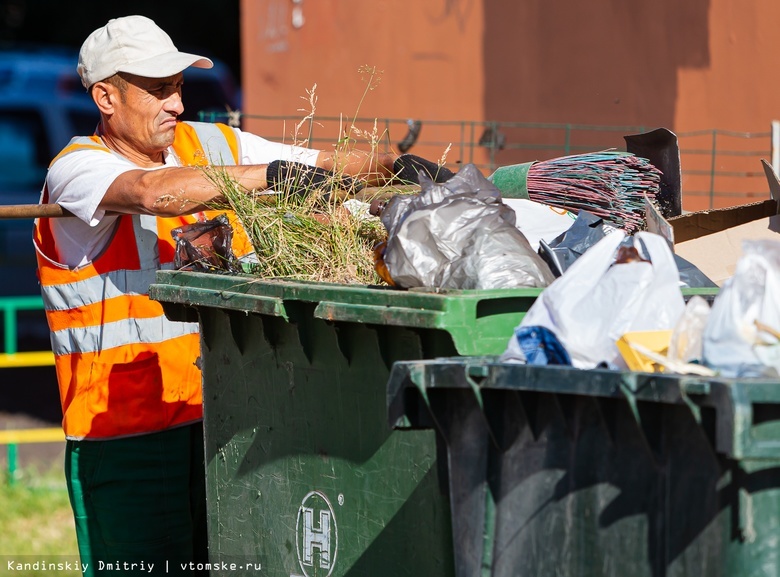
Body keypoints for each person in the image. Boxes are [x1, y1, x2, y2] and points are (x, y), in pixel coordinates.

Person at [33, 14, 453, 576]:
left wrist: (389, 167)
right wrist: (271, 176)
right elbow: (155, 195)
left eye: (178, 87)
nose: (176, 105)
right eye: (158, 91)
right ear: (105, 97)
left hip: (221, 420)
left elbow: (314, 164)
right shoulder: (78, 169)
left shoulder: (208, 142)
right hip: (125, 439)